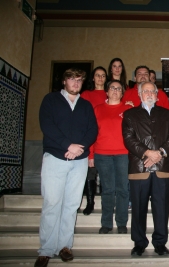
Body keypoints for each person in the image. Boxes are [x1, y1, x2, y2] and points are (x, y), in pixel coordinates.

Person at [35, 68, 97, 267]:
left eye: (79, 80)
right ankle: (46, 250)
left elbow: (92, 130)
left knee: (71, 205)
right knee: (52, 204)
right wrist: (67, 146)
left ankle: (64, 246)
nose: (76, 83)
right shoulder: (50, 100)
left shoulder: (86, 105)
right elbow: (47, 125)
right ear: (64, 81)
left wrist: (79, 149)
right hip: (55, 158)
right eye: (72, 79)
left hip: (78, 161)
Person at [122, 81, 169, 256]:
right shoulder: (130, 115)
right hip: (139, 167)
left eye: (152, 91)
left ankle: (160, 242)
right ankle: (139, 242)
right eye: (145, 91)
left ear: (157, 95)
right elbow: (128, 139)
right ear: (139, 94)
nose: (149, 94)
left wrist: (159, 153)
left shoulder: (167, 114)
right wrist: (147, 153)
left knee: (161, 207)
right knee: (138, 208)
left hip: (161, 167)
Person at [90, 80, 131, 234]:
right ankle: (106, 223)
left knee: (122, 189)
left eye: (118, 88)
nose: (115, 90)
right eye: (112, 88)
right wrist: (91, 154)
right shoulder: (97, 109)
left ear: (122, 93)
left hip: (123, 154)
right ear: (106, 92)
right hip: (102, 154)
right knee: (107, 189)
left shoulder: (128, 109)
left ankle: (121, 222)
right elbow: (92, 133)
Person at [79, 66, 108, 215]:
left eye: (103, 76)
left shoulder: (110, 94)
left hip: (105, 138)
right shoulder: (86, 94)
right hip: (89, 136)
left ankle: (105, 203)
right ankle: (90, 202)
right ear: (93, 78)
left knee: (105, 174)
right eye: (98, 75)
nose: (100, 78)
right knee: (90, 173)